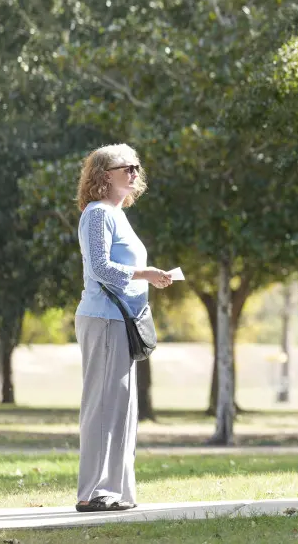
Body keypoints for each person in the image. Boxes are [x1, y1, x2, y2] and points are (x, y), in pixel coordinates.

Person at [75, 145, 174, 513]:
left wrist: (149, 280)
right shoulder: (98, 214)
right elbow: (100, 267)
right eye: (125, 167)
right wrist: (145, 274)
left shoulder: (116, 214)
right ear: (103, 175)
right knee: (104, 406)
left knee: (121, 407)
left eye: (136, 167)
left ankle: (113, 491)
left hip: (122, 322)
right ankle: (94, 492)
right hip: (104, 318)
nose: (134, 172)